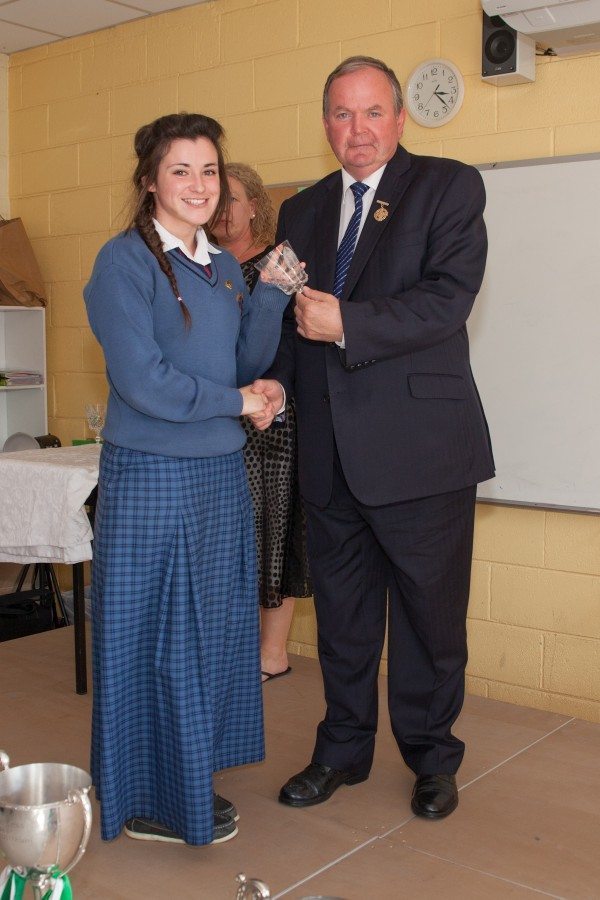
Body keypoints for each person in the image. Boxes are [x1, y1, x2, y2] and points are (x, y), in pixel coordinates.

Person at [251, 56, 495, 819]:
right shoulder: (303, 211)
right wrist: (277, 383)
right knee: (346, 620)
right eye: (341, 115)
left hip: (421, 452)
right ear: (325, 123)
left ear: (401, 117)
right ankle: (341, 752)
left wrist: (349, 321)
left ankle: (432, 759)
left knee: (430, 620)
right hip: (329, 455)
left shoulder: (449, 186)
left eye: (372, 113)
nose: (357, 131)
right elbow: (296, 320)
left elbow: (446, 302)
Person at [84, 113, 289, 846]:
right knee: (154, 638)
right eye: (181, 171)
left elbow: (233, 367)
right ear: (149, 181)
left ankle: (185, 775)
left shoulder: (223, 267)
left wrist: (268, 311)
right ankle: (147, 797)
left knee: (209, 634)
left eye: (209, 172)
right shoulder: (123, 264)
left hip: (215, 477)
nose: (199, 186)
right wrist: (236, 402)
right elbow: (145, 382)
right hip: (152, 477)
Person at [212, 162, 312, 682]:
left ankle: (271, 656)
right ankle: (233, 651)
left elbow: (294, 343)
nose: (224, 209)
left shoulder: (280, 263)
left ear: (256, 204)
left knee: (272, 530)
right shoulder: (199, 266)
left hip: (272, 421)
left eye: (234, 198)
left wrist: (269, 393)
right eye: (216, 197)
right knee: (230, 537)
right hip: (217, 414)